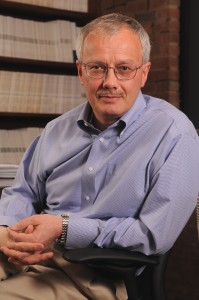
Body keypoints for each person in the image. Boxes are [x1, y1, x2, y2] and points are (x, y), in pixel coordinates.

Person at [0, 12, 199, 300]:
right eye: (97, 68)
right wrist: (7, 231)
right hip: (26, 249)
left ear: (143, 73)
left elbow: (153, 234)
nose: (110, 81)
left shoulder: (174, 134)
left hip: (92, 272)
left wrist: (63, 228)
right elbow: (22, 193)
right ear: (81, 72)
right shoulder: (56, 130)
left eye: (124, 68)